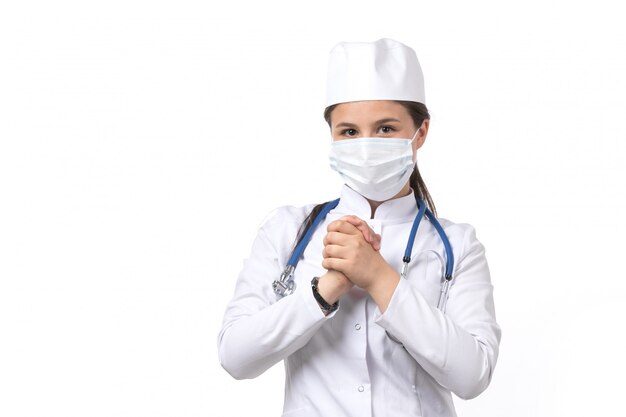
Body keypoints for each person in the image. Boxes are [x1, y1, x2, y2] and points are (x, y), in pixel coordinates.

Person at [218, 38, 501, 417]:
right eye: (349, 132)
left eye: (385, 129)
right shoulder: (287, 231)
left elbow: (473, 376)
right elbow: (236, 357)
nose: (366, 146)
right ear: (332, 135)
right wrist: (326, 288)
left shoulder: (457, 244)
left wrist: (379, 278)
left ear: (421, 132)